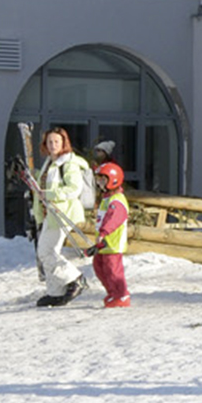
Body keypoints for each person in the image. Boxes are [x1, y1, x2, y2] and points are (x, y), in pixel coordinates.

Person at [29, 127, 93, 306]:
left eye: (57, 141)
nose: (53, 145)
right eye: (49, 142)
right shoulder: (50, 161)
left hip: (62, 213)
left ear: (64, 143)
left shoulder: (69, 163)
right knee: (47, 252)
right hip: (49, 214)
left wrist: (49, 194)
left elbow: (74, 189)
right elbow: (44, 185)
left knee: (47, 251)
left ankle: (75, 278)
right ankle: (55, 292)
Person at [88, 162, 132, 309]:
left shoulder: (117, 201)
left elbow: (113, 219)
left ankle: (121, 295)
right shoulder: (107, 199)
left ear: (113, 180)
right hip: (104, 243)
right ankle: (112, 292)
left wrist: (104, 232)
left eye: (103, 180)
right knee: (99, 266)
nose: (100, 183)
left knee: (113, 270)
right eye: (98, 180)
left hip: (112, 243)